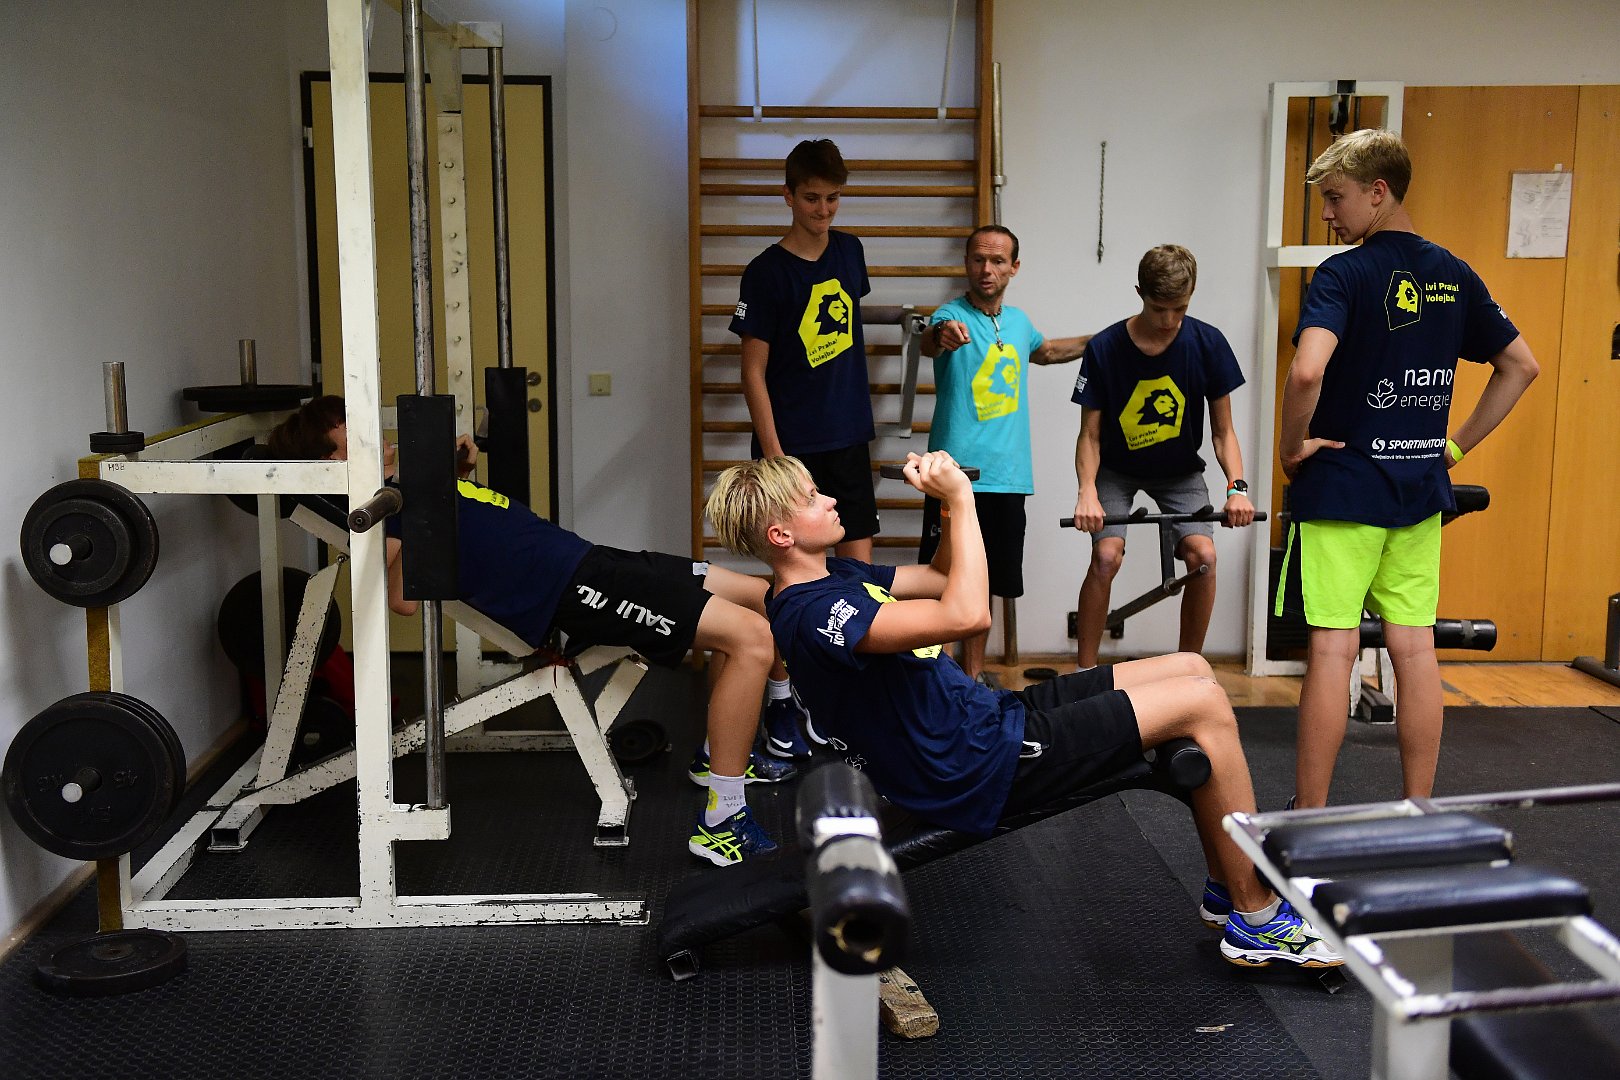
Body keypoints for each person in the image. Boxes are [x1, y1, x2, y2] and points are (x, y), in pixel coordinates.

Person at [706, 451, 1344, 969]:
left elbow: (939, 578)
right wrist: (962, 501)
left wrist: (948, 502)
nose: (830, 499)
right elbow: (967, 614)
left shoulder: (836, 580)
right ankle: (1258, 921)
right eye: (812, 497)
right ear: (782, 535)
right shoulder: (813, 613)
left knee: (1193, 669)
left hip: (986, 717)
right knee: (1204, 705)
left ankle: (1228, 884)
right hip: (972, 762)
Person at [267, 397, 795, 866]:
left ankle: (727, 751)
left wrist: (451, 475)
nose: (371, 433)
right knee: (752, 637)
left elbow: (470, 530)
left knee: (760, 595)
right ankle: (723, 822)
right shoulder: (390, 513)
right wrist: (421, 513)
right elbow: (403, 599)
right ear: (332, 461)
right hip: (575, 590)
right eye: (349, 431)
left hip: (595, 561)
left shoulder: (411, 488)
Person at [1280, 130, 1538, 808]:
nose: (1327, 215)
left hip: (1343, 487)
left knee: (1332, 650)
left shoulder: (1343, 274)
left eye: (1335, 198)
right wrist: (1453, 449)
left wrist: (1290, 447)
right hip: (1420, 486)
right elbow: (1521, 366)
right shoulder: (1455, 273)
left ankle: (1310, 815)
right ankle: (1417, 807)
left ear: (1378, 192)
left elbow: (1306, 371)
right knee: (1415, 649)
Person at [730, 137, 874, 758]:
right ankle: (784, 699)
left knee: (858, 577)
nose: (823, 210)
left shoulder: (850, 251)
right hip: (791, 447)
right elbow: (752, 371)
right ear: (787, 196)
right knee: (792, 582)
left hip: (850, 437)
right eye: (812, 198)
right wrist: (776, 459)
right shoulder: (766, 272)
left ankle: (846, 698)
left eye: (833, 198)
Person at [1070, 245, 1256, 669]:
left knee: (1204, 558)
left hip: (1179, 471)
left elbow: (1224, 432)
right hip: (1116, 469)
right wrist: (1086, 492)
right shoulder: (1105, 348)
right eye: (1159, 309)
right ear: (1140, 293)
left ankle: (1189, 670)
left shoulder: (1208, 343)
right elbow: (1090, 436)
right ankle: (1083, 674)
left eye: (1180, 309)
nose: (1170, 320)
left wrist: (1237, 488)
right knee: (1105, 556)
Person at [917, 224, 1090, 681]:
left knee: (986, 581)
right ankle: (937, 679)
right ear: (966, 264)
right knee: (942, 579)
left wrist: (1106, 339)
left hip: (1008, 476)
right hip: (954, 475)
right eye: (978, 259)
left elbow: (1047, 351)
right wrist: (942, 335)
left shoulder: (1018, 323)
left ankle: (972, 678)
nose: (986, 269)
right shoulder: (950, 316)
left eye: (997, 261)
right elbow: (932, 339)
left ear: (1014, 267)